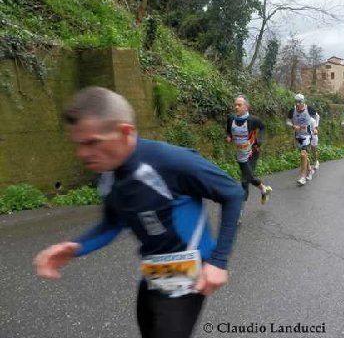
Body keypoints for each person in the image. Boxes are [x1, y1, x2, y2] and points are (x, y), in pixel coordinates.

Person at [33, 87, 244, 338]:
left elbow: (232, 193)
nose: (82, 154)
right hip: (153, 273)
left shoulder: (170, 161)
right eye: (79, 144)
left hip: (189, 275)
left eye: (92, 142)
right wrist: (77, 247)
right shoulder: (109, 174)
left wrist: (219, 261)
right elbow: (112, 224)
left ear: (124, 132)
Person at [226, 95, 272, 222]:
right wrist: (229, 136)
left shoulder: (253, 120)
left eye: (239, 105)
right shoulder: (231, 118)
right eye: (235, 104)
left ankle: (239, 213)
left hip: (252, 153)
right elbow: (229, 130)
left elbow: (263, 127)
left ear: (246, 107)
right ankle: (264, 189)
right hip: (241, 154)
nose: (236, 107)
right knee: (249, 177)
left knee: (245, 181)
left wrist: (259, 141)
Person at [286, 93, 318, 185]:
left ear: (303, 102)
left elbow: (316, 116)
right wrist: (293, 125)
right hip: (298, 136)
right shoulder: (292, 111)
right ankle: (310, 170)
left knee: (303, 154)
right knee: (304, 155)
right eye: (296, 102)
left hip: (307, 134)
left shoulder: (309, 109)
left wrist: (315, 127)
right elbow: (287, 121)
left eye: (299, 102)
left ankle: (302, 177)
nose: (297, 104)